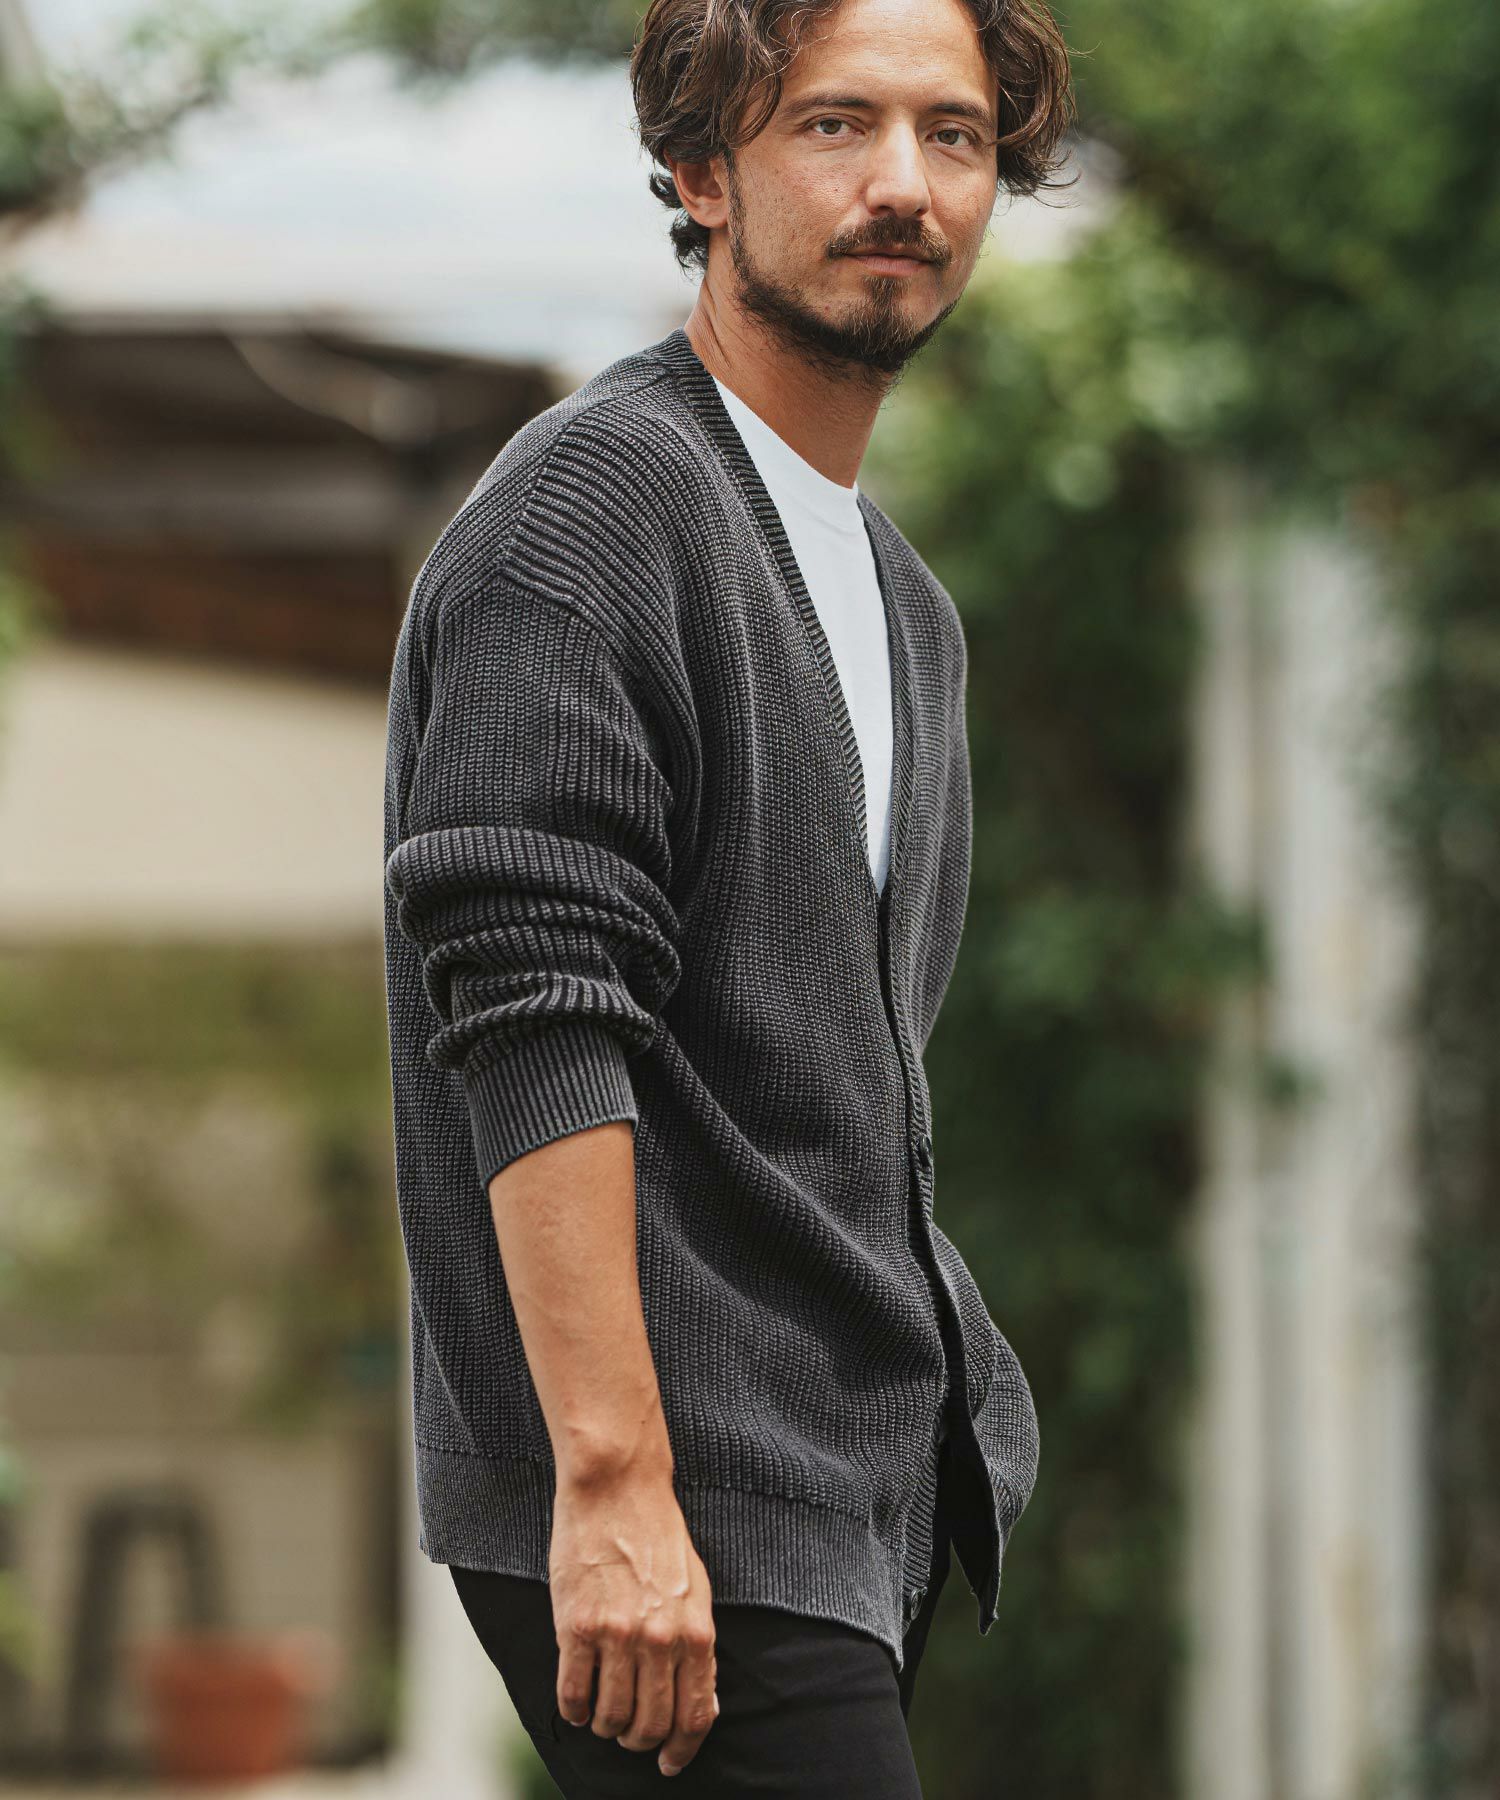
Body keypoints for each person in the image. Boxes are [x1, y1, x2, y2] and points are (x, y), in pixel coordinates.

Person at [381, 0, 1073, 1789]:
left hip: (834, 1512)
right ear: (702, 171)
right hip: (676, 1505)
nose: (904, 182)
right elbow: (531, 1007)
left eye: (954, 134)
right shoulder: (597, 513)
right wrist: (613, 1480)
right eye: (836, 124)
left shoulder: (907, 612)